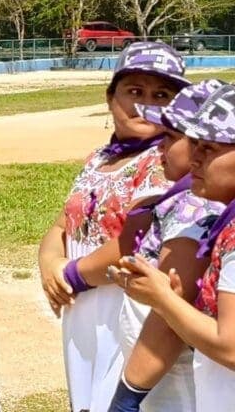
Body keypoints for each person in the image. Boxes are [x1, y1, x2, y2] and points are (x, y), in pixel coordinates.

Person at [37, 42, 187, 412]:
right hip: (85, 307)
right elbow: (63, 224)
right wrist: (49, 264)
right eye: (134, 91)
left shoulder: (164, 162)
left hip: (123, 307)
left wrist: (69, 275)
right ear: (110, 98)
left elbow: (132, 243)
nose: (145, 103)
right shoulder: (100, 158)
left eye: (161, 95)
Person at [104, 79, 227, 410]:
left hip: (171, 382)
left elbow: (168, 324)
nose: (159, 145)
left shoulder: (196, 208)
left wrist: (126, 398)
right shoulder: (186, 197)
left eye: (171, 137)